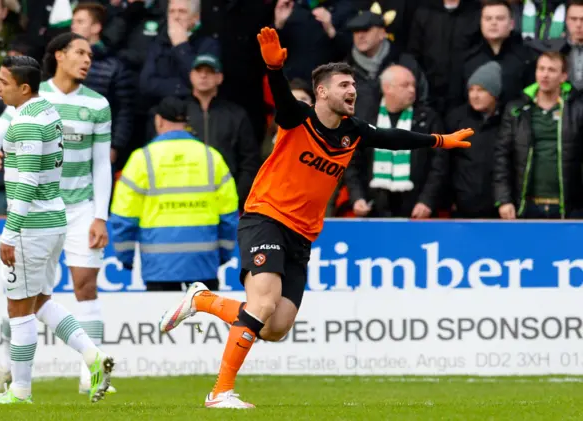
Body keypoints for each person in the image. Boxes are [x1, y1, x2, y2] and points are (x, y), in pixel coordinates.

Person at [158, 27, 474, 409]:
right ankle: (220, 393)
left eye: (354, 84)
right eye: (344, 84)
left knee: (274, 328)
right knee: (262, 304)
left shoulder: (353, 132)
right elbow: (282, 98)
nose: (352, 90)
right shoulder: (298, 119)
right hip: (266, 218)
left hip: (301, 235)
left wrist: (440, 140)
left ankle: (203, 300)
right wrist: (274, 68)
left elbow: (393, 137)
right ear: (322, 92)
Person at [0, 32, 115, 396]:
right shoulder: (48, 111)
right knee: (40, 301)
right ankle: (93, 355)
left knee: (20, 307)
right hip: (55, 213)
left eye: (2, 82)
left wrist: (9, 233)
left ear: (23, 88)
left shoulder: (27, 120)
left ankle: (19, 390)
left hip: (35, 219)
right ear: (57, 57)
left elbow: (26, 181)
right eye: (80, 52)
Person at [110, 96, 239, 292]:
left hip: (158, 266)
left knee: (165, 322)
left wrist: (125, 256)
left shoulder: (141, 159)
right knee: (204, 322)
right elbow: (229, 214)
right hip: (203, 263)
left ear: (158, 121)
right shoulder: (211, 157)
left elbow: (123, 216)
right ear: (186, 123)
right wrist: (224, 253)